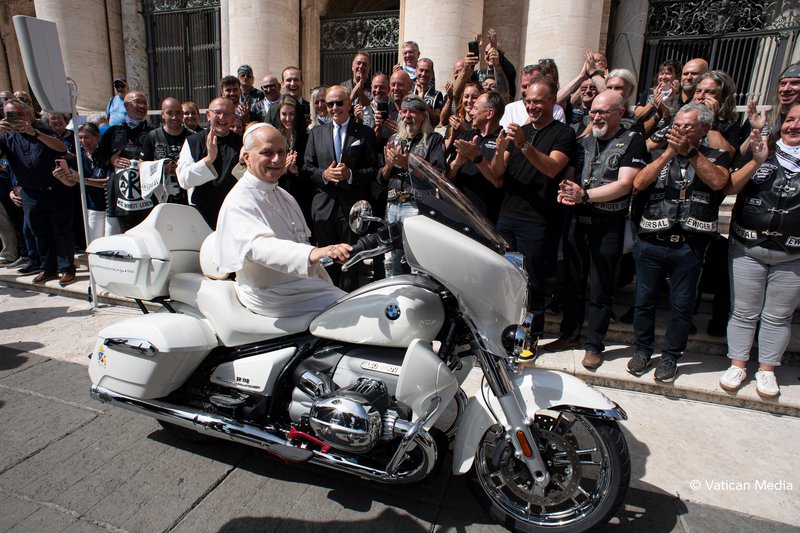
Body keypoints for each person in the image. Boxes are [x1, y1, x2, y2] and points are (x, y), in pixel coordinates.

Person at [626, 103, 731, 383]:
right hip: (652, 240)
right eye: (677, 125)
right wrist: (669, 153)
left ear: (704, 130)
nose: (680, 130)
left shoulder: (716, 155)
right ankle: (642, 350)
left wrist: (691, 153)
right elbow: (639, 183)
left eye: (688, 126)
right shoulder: (657, 153)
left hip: (689, 244)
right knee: (644, 301)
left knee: (682, 305)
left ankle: (671, 356)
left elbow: (719, 182)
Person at [547, 91, 648, 369]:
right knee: (572, 283)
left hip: (608, 224)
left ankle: (594, 345)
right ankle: (569, 336)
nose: (596, 117)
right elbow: (570, 173)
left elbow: (626, 184)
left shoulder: (633, 140)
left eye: (603, 112)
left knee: (601, 288)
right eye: (593, 111)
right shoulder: (582, 141)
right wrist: (566, 190)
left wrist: (585, 196)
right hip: (577, 221)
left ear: (620, 113)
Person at [216, 124, 349, 317]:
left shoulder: (283, 195)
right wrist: (313, 253)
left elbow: (299, 239)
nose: (277, 159)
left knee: (359, 304)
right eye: (267, 152)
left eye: (281, 152)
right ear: (247, 157)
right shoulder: (239, 200)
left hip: (300, 285)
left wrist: (330, 253)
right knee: (349, 310)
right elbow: (259, 247)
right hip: (269, 293)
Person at [718, 105, 800, 399]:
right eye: (790, 120)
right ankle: (737, 365)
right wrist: (756, 160)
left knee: (779, 316)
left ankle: (767, 370)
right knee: (743, 311)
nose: (794, 126)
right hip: (747, 248)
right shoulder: (762, 149)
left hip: (793, 255)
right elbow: (729, 188)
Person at [489, 76, 576, 349]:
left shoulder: (563, 134)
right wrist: (500, 151)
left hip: (537, 220)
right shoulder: (520, 131)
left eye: (538, 101)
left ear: (553, 101)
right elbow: (497, 173)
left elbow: (552, 168)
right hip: (507, 217)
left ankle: (531, 337)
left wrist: (524, 145)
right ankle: (506, 332)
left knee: (533, 283)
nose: (531, 106)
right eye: (528, 101)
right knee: (505, 281)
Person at [302, 85, 378, 291]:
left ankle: (348, 300)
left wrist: (350, 175)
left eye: (339, 103)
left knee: (350, 262)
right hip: (324, 208)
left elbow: (374, 170)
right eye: (330, 104)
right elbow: (307, 168)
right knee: (327, 263)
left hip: (351, 209)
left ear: (349, 103)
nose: (334, 108)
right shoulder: (316, 133)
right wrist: (324, 175)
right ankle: (328, 299)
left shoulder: (365, 132)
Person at [0, 98, 74, 285]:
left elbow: (61, 147)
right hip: (30, 193)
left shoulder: (42, 129)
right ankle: (48, 268)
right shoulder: (6, 137)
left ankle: (66, 268)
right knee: (39, 232)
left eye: (19, 114)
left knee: (62, 231)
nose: (16, 119)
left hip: (55, 189)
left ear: (29, 114)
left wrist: (34, 133)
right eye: (10, 115)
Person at [379, 94, 445, 276]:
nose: (407, 116)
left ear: (423, 115)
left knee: (417, 262)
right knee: (391, 261)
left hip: (417, 206)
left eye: (413, 112)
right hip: (392, 205)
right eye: (404, 111)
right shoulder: (393, 139)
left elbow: (438, 175)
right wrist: (389, 165)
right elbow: (381, 178)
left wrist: (407, 164)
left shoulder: (434, 140)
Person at [93, 90, 154, 234]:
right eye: (137, 102)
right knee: (120, 239)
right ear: (126, 106)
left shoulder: (153, 132)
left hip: (147, 199)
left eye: (144, 103)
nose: (142, 106)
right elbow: (97, 157)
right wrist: (111, 159)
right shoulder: (113, 132)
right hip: (120, 199)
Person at [177, 97, 243, 229]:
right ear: (208, 115)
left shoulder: (242, 143)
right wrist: (209, 159)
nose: (222, 117)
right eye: (217, 112)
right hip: (200, 213)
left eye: (227, 114)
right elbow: (184, 180)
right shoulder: (193, 141)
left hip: (233, 211)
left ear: (233, 118)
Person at [447, 90, 505, 222]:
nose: (471, 112)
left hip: (485, 220)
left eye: (476, 108)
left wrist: (476, 157)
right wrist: (456, 164)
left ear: (490, 113)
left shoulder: (504, 141)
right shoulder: (466, 136)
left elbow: (498, 182)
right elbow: (447, 177)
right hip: (457, 214)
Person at [140, 97, 192, 205]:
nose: (174, 117)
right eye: (170, 113)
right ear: (162, 114)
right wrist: (161, 170)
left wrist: (182, 168)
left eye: (178, 113)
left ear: (182, 114)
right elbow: (141, 166)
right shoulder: (152, 136)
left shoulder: (193, 137)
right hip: (160, 200)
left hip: (188, 199)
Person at [276, 95, 311, 226]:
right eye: (284, 114)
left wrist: (296, 171)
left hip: (302, 195)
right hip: (280, 193)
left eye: (292, 114)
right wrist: (283, 169)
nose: (288, 119)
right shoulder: (274, 137)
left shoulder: (307, 137)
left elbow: (311, 169)